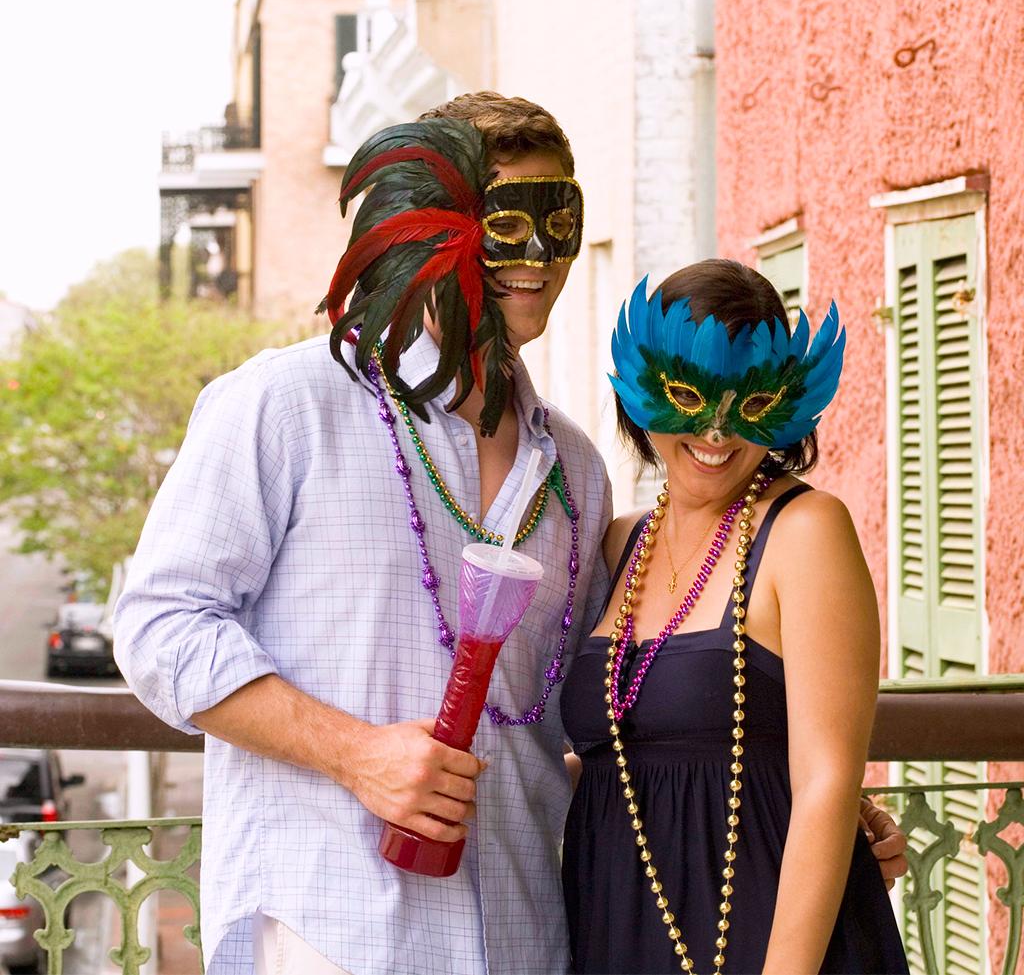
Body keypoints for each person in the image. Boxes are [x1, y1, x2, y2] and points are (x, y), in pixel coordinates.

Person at [115, 93, 906, 975]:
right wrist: (358, 754)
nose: (537, 256)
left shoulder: (575, 472)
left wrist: (791, 798)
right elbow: (158, 627)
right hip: (333, 929)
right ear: (433, 224)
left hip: (532, 940)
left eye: (557, 223)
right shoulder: (286, 406)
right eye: (505, 224)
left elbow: (594, 718)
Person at [560, 261, 909, 974]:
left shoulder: (806, 529)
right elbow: (612, 758)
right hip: (618, 925)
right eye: (688, 394)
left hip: (766, 939)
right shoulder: (614, 543)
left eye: (748, 404)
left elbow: (825, 781)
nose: (714, 430)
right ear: (640, 390)